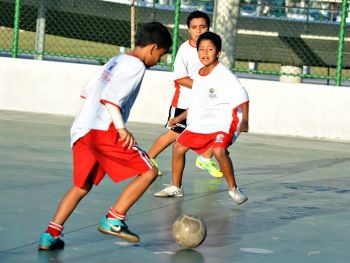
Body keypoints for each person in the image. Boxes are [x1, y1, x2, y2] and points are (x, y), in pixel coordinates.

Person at [37, 22, 172, 250]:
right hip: (104, 130)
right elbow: (111, 98)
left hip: (83, 130)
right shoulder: (136, 66)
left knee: (82, 185)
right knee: (149, 171)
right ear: (153, 48)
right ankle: (114, 218)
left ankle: (50, 235)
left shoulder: (116, 60)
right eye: (161, 55)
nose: (159, 60)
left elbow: (87, 91)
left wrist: (90, 119)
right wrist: (120, 128)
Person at [154, 32, 249, 205]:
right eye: (201, 49)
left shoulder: (224, 74)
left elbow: (243, 96)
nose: (205, 53)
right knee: (178, 147)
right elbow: (197, 102)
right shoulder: (198, 74)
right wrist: (179, 117)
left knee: (219, 151)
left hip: (225, 121)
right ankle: (176, 187)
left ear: (218, 53)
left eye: (210, 49)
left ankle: (233, 189)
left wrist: (245, 121)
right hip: (203, 121)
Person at [148, 10, 223, 178]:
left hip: (206, 102)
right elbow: (180, 78)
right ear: (189, 29)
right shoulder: (184, 50)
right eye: (194, 27)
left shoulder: (211, 47)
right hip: (184, 102)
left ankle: (204, 158)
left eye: (202, 27)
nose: (198, 31)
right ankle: (148, 159)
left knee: (219, 129)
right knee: (174, 134)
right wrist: (203, 86)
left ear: (208, 28)